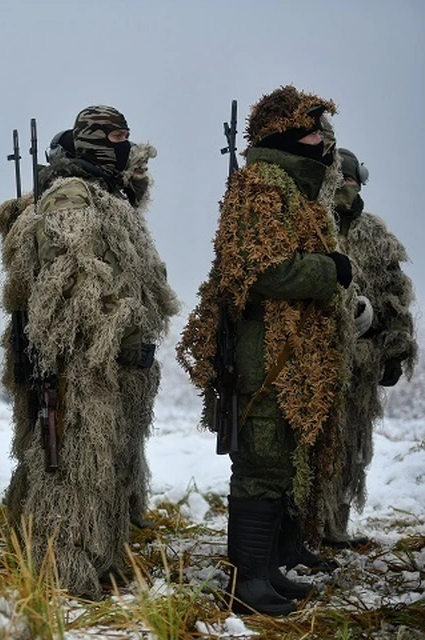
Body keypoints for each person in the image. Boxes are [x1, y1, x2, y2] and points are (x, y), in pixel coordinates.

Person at [178, 85, 351, 616]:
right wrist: (328, 271)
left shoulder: (292, 192)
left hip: (286, 351)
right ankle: (245, 581)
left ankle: (265, 567)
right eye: (312, 131)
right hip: (261, 353)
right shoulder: (261, 188)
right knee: (259, 463)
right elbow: (259, 272)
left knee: (277, 465)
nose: (322, 142)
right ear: (285, 136)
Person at [0, 105, 178, 599]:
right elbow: (70, 283)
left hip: (114, 363)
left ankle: (102, 558)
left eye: (126, 134)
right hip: (79, 362)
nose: (125, 143)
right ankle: (64, 573)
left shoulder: (109, 198)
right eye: (116, 135)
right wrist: (119, 332)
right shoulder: (72, 197)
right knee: (74, 468)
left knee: (110, 465)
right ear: (95, 141)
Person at [322, 148, 417, 547]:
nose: (349, 186)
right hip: (315, 358)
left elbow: (395, 295)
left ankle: (334, 525)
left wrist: (396, 349)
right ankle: (304, 528)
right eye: (342, 179)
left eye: (354, 180)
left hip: (360, 362)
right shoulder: (314, 226)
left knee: (350, 447)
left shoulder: (376, 237)